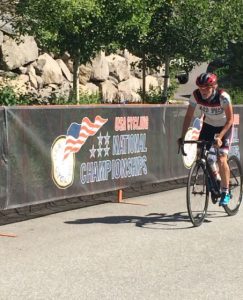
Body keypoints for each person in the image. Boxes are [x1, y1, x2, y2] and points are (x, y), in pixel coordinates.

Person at [178, 72, 234, 206]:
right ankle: (217, 178)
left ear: (214, 86)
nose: (202, 91)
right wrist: (183, 137)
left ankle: (225, 192)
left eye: (206, 88)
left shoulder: (223, 97)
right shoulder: (195, 95)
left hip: (224, 127)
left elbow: (230, 119)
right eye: (200, 87)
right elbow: (188, 117)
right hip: (208, 125)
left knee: (221, 158)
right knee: (201, 153)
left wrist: (220, 137)